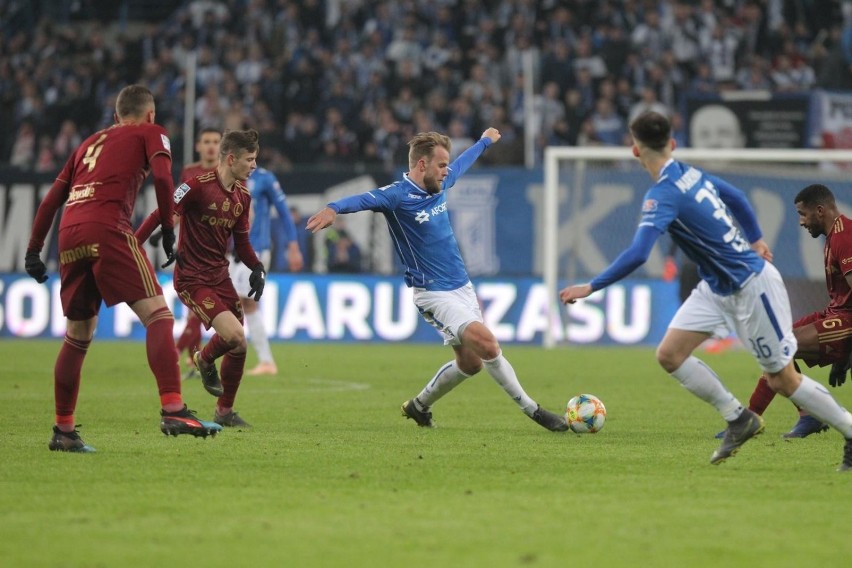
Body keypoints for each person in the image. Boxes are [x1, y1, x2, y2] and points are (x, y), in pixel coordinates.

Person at [559, 111, 852, 471]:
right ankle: (737, 417)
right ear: (672, 144)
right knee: (669, 354)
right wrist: (756, 238)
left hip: (749, 286)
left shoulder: (662, 194)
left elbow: (638, 253)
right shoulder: (690, 173)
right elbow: (738, 197)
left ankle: (850, 431)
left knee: (783, 378)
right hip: (715, 286)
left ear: (635, 151)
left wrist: (591, 286)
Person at [306, 128, 568, 432]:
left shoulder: (440, 183)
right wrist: (334, 208)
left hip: (462, 288)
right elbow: (364, 199)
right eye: (442, 165)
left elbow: (463, 163)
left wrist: (483, 142)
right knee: (488, 345)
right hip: (433, 293)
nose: (447, 171)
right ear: (421, 165)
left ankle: (419, 406)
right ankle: (534, 411)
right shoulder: (397, 196)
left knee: (470, 364)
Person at [24, 84, 223, 452]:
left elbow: (53, 197)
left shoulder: (87, 143)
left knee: (78, 334)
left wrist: (34, 250)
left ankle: (63, 431)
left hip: (69, 232)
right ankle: (173, 408)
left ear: (116, 116)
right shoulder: (152, 132)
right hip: (108, 227)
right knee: (158, 316)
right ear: (150, 114)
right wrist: (167, 226)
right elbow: (164, 178)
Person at [136, 128, 266, 429]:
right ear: (231, 159)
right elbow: (161, 214)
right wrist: (134, 241)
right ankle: (204, 360)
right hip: (192, 279)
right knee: (233, 336)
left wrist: (256, 266)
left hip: (220, 277)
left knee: (239, 346)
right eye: (250, 159)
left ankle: (224, 412)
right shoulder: (195, 185)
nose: (254, 166)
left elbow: (242, 242)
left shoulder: (242, 197)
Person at [734, 184, 852, 439]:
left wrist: (846, 354)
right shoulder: (834, 236)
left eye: (803, 214)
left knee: (780, 346)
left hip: (847, 321)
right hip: (836, 313)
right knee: (776, 340)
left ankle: (751, 420)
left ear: (820, 211)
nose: (800, 222)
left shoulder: (845, 238)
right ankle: (806, 415)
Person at [230, 159, 304, 376]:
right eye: (247, 156)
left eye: (253, 156)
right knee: (241, 304)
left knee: (241, 303)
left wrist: (293, 246)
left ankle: (258, 360)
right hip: (231, 251)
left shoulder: (264, 179)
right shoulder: (229, 175)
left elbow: (283, 211)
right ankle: (263, 360)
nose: (251, 161)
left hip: (256, 249)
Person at [173, 127, 223, 379]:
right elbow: (176, 206)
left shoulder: (227, 173)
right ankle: (184, 357)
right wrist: (167, 230)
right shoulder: (189, 173)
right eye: (207, 141)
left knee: (198, 310)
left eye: (216, 141)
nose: (211, 146)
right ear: (198, 146)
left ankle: (182, 357)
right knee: (196, 309)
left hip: (216, 253)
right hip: (189, 249)